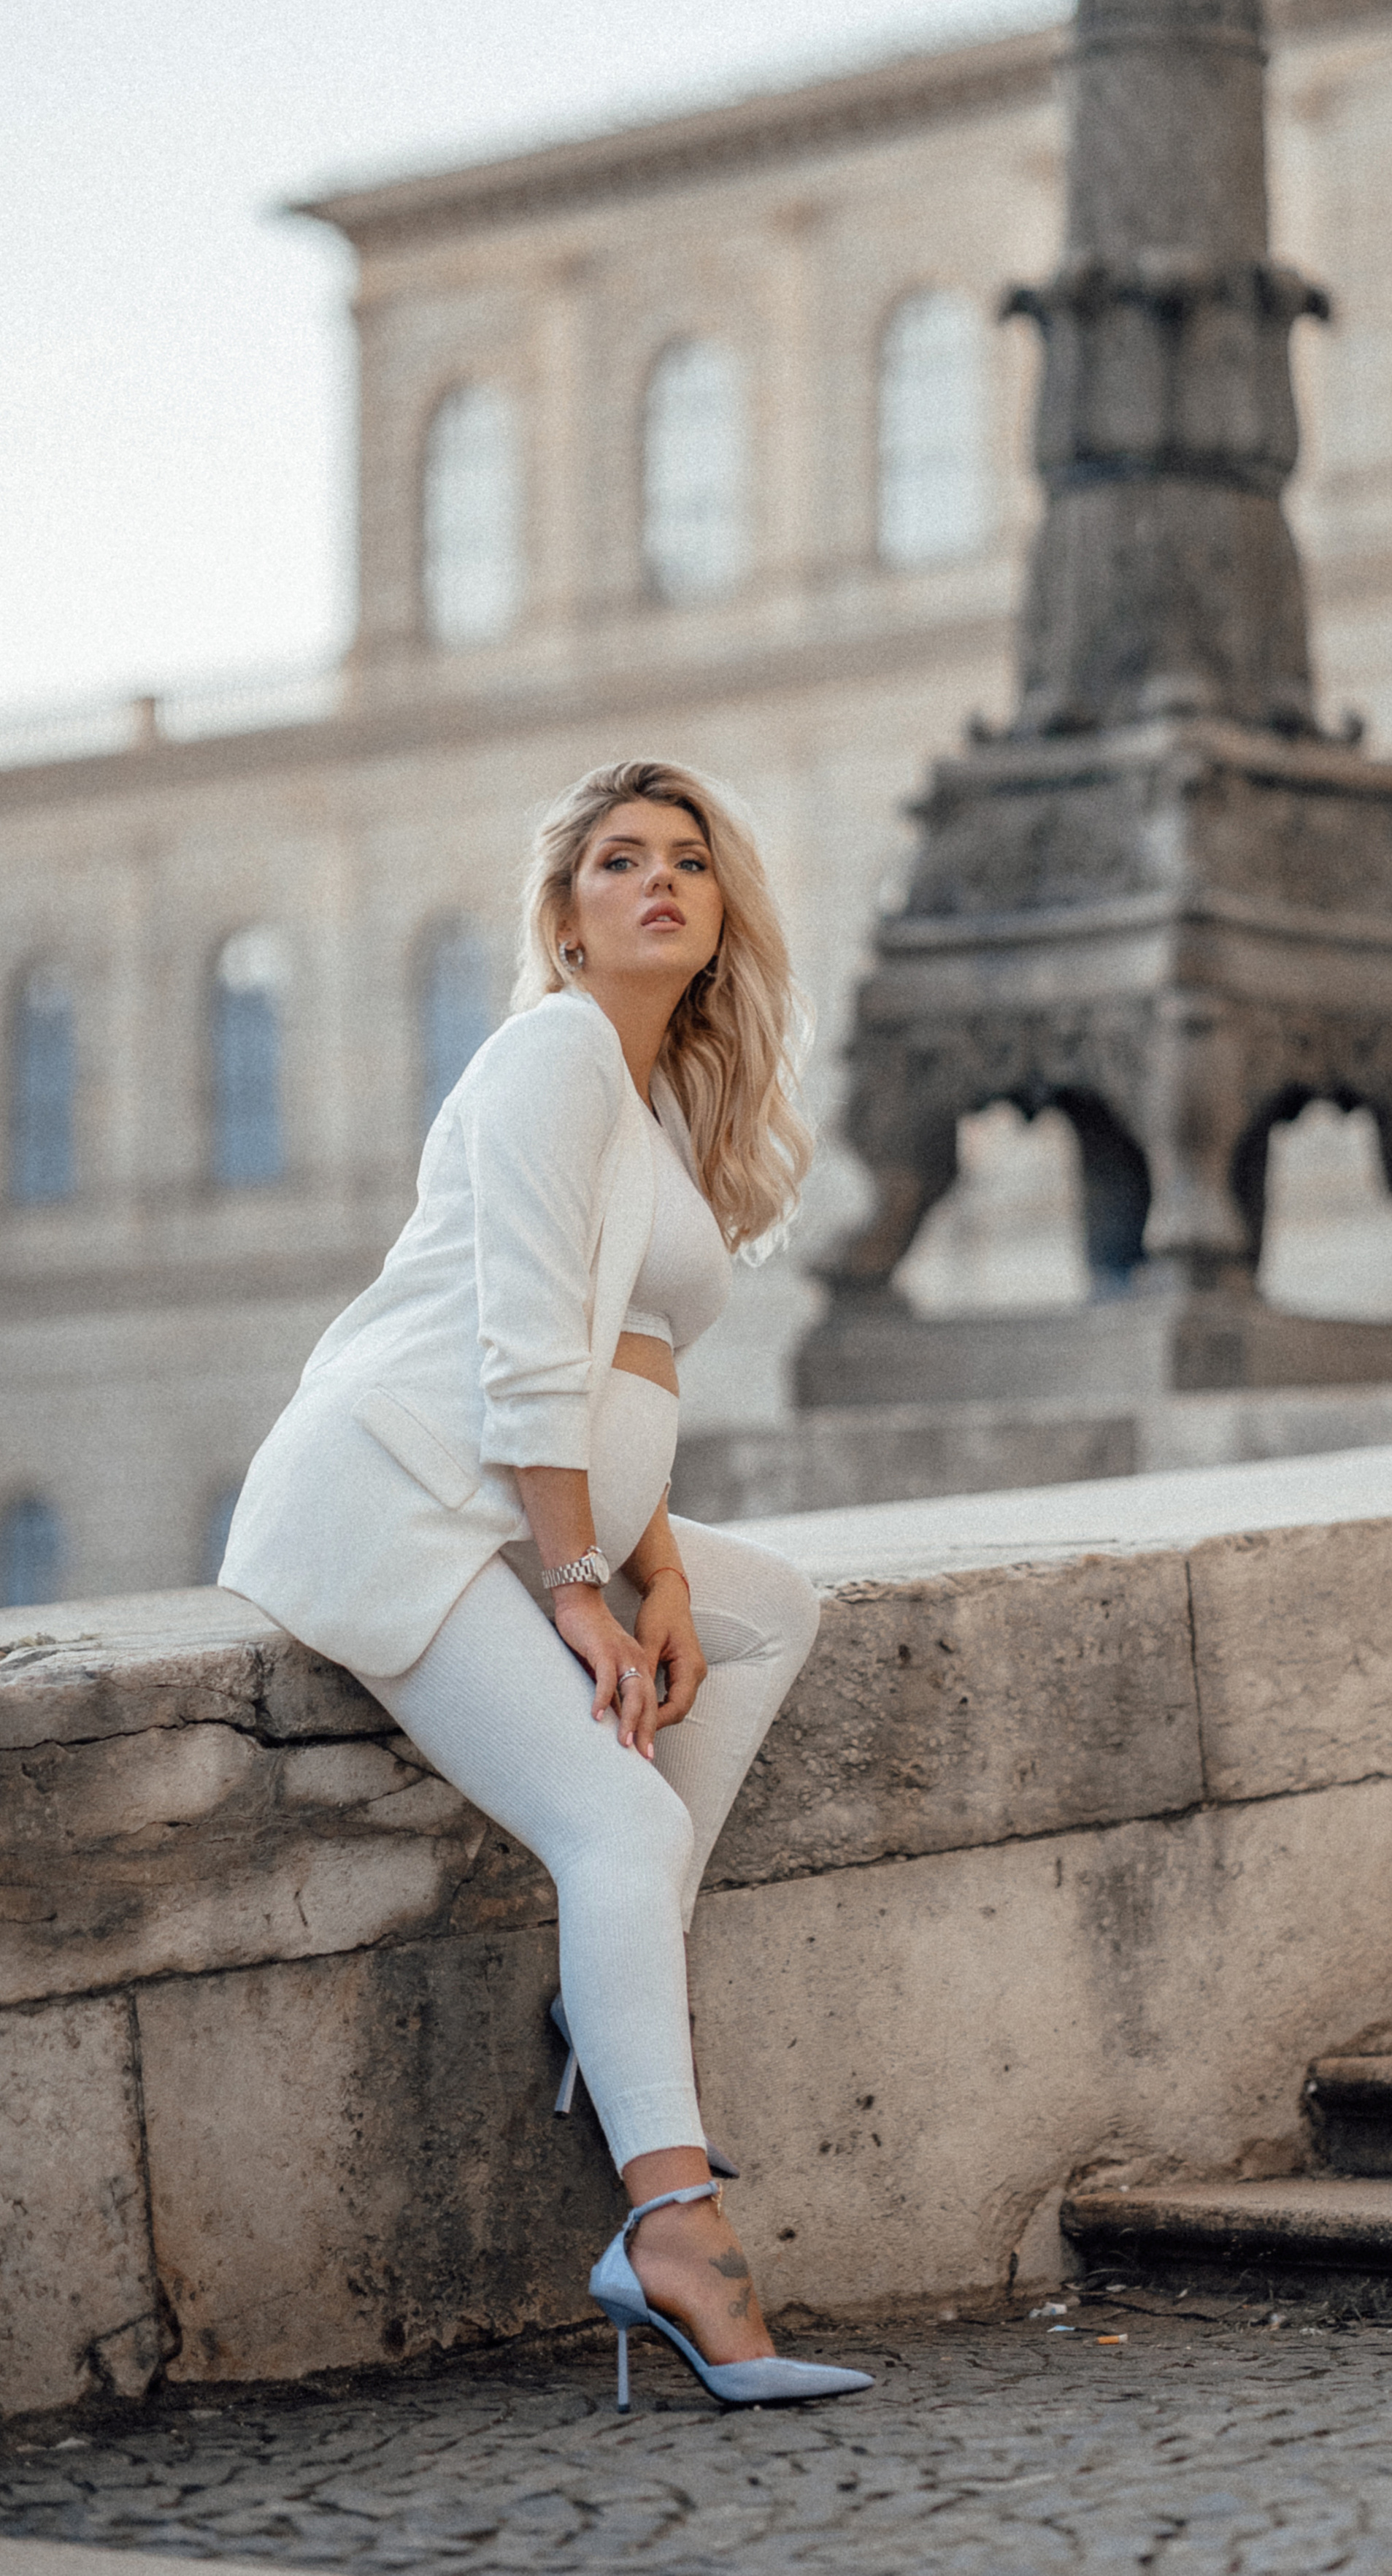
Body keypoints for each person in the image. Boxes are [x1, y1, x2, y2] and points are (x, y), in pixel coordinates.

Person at [219, 756, 871, 2413]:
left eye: (687, 862)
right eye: (615, 862)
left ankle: (611, 1997)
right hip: (407, 1499)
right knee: (622, 1819)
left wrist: (651, 1567)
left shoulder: (649, 1104)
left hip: (523, 1512)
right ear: (564, 919)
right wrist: (578, 1579)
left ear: (723, 917)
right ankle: (672, 2227)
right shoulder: (551, 1056)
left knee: (763, 1608)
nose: (657, 881)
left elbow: (622, 1364)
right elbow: (525, 1344)